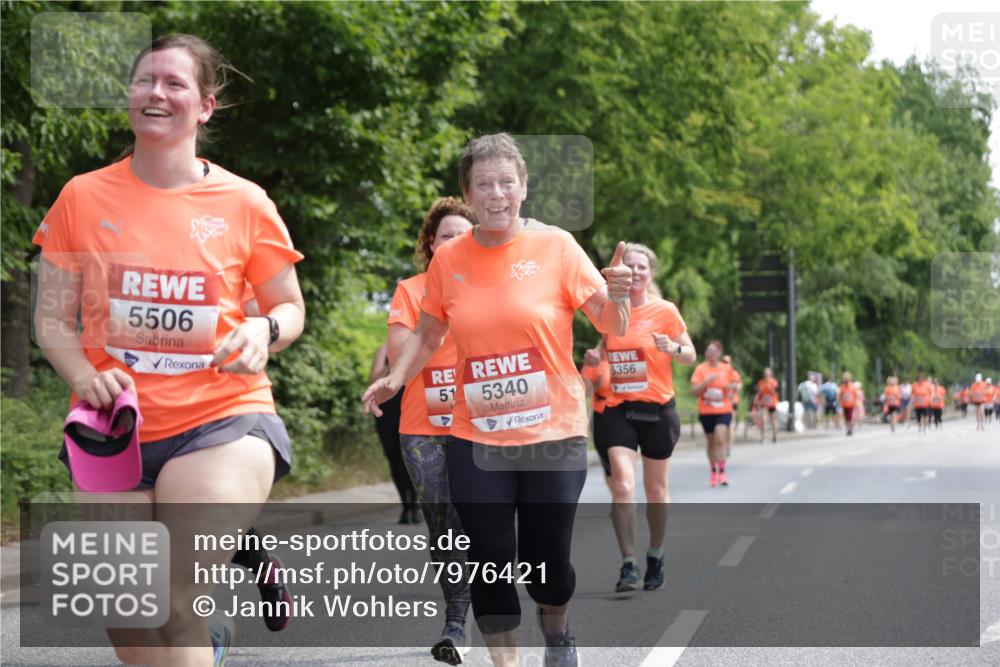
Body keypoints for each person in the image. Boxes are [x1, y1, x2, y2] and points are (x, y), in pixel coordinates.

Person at [33, 34, 305, 666]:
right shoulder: (81, 196)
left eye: (174, 83)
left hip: (222, 419)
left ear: (205, 106)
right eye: (144, 81)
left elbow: (289, 307)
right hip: (113, 429)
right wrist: (82, 372)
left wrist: (262, 331)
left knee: (175, 599)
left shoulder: (244, 202)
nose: (155, 93)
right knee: (126, 614)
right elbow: (52, 322)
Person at [362, 133, 632, 667]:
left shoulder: (556, 246)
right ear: (468, 192)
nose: (497, 193)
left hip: (552, 434)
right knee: (488, 559)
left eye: (507, 182)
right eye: (484, 184)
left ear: (524, 188)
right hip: (475, 436)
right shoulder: (450, 260)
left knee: (548, 565)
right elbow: (430, 332)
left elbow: (608, 322)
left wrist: (618, 293)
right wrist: (396, 377)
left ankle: (557, 630)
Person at [386, 196, 474, 663]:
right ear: (431, 243)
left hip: (482, 422)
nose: (454, 242)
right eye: (446, 235)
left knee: (474, 519)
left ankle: (461, 619)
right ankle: (456, 618)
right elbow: (404, 349)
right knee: (443, 523)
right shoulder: (410, 289)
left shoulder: (491, 287)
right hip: (423, 425)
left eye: (463, 235)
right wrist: (441, 311)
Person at [601, 243, 695, 594]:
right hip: (618, 408)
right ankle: (628, 562)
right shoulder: (609, 310)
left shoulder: (665, 311)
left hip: (657, 409)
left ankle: (655, 553)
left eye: (641, 267)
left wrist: (673, 349)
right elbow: (604, 348)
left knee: (656, 490)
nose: (636, 272)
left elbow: (690, 353)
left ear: (650, 273)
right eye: (629, 267)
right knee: (623, 485)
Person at [369, 343, 421, 524]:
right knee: (395, 459)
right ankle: (407, 505)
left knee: (413, 458)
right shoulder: (382, 350)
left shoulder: (420, 344)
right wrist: (393, 363)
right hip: (387, 414)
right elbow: (373, 379)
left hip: (412, 411)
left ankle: (416, 503)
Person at [691, 342, 739, 487]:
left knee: (720, 436)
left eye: (714, 351)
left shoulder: (726, 368)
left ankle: (723, 472)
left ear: (719, 353)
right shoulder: (700, 369)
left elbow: (736, 384)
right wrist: (706, 382)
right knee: (711, 442)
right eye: (708, 351)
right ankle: (713, 472)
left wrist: (728, 387)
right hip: (706, 410)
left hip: (723, 409)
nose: (711, 353)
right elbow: (694, 392)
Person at [581, 341, 613, 490]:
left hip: (627, 415)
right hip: (602, 414)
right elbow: (583, 392)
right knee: (608, 462)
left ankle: (624, 496)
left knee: (621, 462)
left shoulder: (630, 354)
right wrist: (595, 386)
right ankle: (619, 496)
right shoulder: (594, 358)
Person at [721, 354, 741, 455]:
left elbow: (738, 386)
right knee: (722, 425)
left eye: (727, 362)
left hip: (732, 402)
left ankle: (728, 445)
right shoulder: (718, 373)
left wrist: (733, 388)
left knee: (729, 424)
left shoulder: (734, 374)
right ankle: (723, 444)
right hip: (721, 403)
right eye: (723, 362)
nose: (725, 364)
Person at [754, 367, 780, 442]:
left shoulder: (773, 382)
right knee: (763, 419)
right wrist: (758, 400)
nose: (766, 374)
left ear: (770, 374)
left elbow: (776, 393)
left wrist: (771, 389)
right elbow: (759, 393)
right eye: (765, 373)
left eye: (767, 373)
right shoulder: (761, 382)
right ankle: (763, 436)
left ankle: (775, 435)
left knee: (773, 420)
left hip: (772, 403)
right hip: (764, 403)